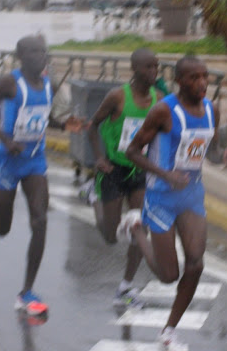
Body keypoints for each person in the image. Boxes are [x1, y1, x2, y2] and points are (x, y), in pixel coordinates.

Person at [0, 35, 84, 318]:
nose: (42, 56)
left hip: (35, 162)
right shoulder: (9, 83)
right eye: (35, 51)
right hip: (7, 163)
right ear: (21, 56)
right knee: (2, 229)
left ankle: (26, 292)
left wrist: (63, 125)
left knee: (40, 220)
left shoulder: (48, 84)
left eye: (44, 50)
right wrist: (3, 136)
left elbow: (43, 117)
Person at [122, 55, 227, 349]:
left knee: (196, 264)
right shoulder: (163, 111)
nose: (202, 83)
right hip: (160, 197)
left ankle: (169, 330)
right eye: (194, 78)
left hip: (191, 195)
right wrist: (165, 173)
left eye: (205, 76)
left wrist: (223, 158)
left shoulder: (212, 110)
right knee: (168, 275)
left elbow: (209, 152)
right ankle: (136, 228)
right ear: (179, 81)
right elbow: (133, 152)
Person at [85, 48, 161, 307]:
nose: (154, 72)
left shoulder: (157, 98)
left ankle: (126, 287)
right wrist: (99, 158)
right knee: (110, 236)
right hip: (113, 170)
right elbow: (92, 126)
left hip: (139, 172)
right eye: (148, 67)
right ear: (135, 69)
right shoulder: (117, 97)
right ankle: (93, 196)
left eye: (156, 67)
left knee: (141, 226)